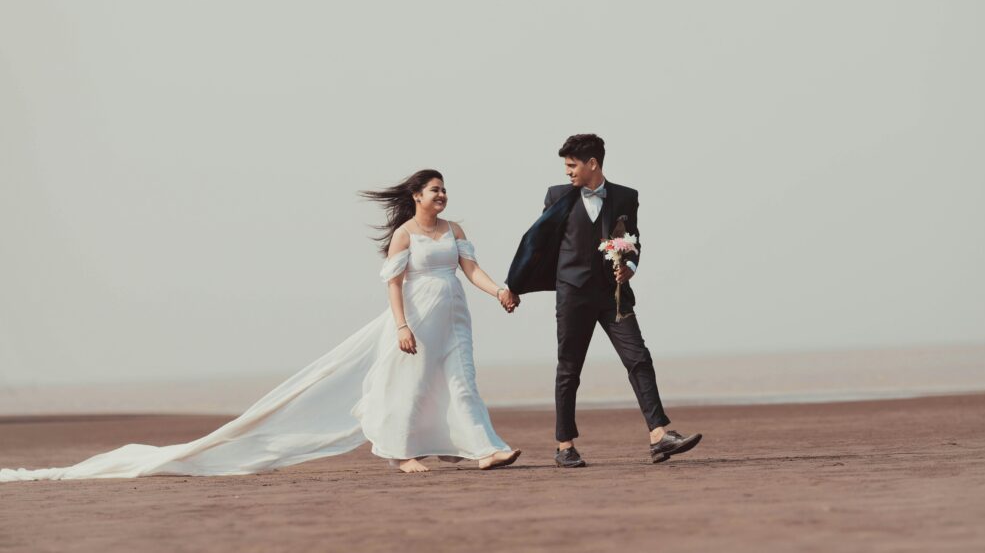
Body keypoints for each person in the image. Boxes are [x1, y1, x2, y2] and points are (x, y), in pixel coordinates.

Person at [1, 169, 520, 481]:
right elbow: (390, 285)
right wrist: (401, 325)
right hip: (415, 317)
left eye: (445, 190)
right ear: (415, 196)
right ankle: (399, 451)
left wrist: (497, 289)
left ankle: (484, 449)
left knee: (461, 381)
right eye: (434, 190)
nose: (442, 196)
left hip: (454, 314)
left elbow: (469, 268)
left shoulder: (455, 230)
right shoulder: (404, 235)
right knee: (407, 384)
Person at [500, 134, 702, 467]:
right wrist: (514, 285)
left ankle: (659, 435)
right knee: (569, 370)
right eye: (565, 166)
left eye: (572, 165)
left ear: (592, 163)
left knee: (639, 358)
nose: (568, 172)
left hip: (613, 296)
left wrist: (631, 268)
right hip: (572, 295)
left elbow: (633, 240)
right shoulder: (557, 196)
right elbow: (537, 244)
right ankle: (565, 446)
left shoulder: (625, 196)